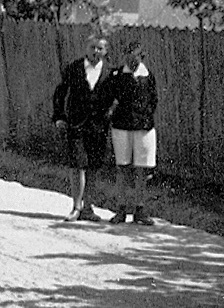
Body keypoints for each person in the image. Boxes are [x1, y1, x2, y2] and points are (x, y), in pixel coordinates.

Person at [52, 36, 112, 221]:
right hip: (76, 124)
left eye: (100, 48)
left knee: (93, 166)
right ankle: (76, 207)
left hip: (98, 127)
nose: (96, 51)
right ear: (86, 48)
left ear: (105, 51)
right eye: (93, 47)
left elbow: (114, 98)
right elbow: (60, 93)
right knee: (78, 164)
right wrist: (59, 117)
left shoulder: (110, 72)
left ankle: (88, 208)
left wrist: (109, 115)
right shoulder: (74, 68)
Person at [101, 41, 158, 226]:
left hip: (143, 128)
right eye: (129, 56)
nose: (132, 60)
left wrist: (144, 117)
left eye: (136, 56)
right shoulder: (117, 76)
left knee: (142, 169)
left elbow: (153, 101)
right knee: (122, 168)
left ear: (142, 57)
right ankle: (121, 209)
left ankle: (140, 210)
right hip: (121, 128)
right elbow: (108, 99)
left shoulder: (148, 77)